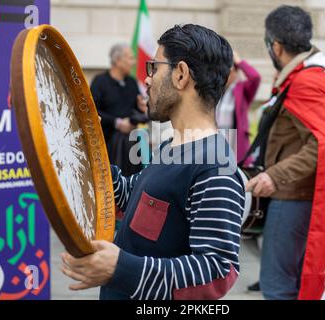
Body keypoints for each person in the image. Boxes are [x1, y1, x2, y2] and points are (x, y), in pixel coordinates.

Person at [61, 24, 246, 300]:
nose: (146, 80)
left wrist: (120, 268)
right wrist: (90, 145)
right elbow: (126, 197)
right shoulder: (172, 147)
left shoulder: (215, 167)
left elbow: (218, 272)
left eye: (153, 68)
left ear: (181, 75)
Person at [246, 5, 325, 300]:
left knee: (277, 287)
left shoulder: (306, 82)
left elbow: (324, 145)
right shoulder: (309, 75)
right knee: (287, 284)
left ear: (276, 47)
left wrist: (274, 176)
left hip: (292, 197)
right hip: (295, 195)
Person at [90, 43, 148, 176]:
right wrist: (117, 123)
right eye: (130, 58)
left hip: (131, 145)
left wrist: (142, 109)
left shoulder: (132, 83)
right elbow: (92, 111)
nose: (133, 62)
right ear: (117, 60)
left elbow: (135, 111)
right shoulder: (100, 82)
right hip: (107, 146)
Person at [215, 51, 261, 164]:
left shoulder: (242, 89)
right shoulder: (219, 91)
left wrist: (239, 62)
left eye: (227, 72)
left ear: (234, 72)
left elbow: (255, 77)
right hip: (219, 144)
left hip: (237, 145)